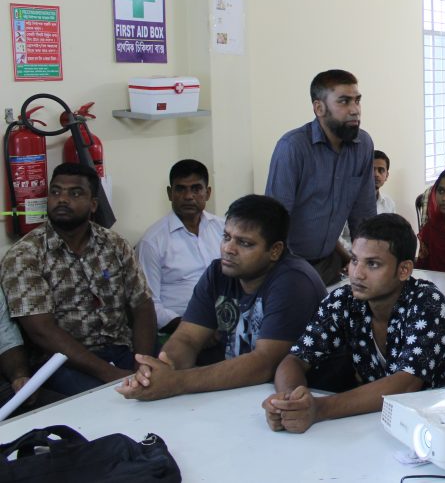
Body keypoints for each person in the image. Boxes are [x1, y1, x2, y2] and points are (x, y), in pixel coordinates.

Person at [262, 214, 445, 433]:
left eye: (373, 264)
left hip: (440, 428)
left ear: (404, 270)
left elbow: (406, 384)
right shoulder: (343, 301)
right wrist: (290, 402)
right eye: (354, 260)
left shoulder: (428, 304)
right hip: (375, 423)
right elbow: (295, 359)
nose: (357, 273)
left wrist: (319, 409)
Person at [116, 195, 326, 401]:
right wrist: (162, 368)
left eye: (244, 243)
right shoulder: (218, 273)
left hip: (300, 398)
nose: (228, 249)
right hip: (234, 394)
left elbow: (265, 364)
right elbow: (187, 338)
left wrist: (176, 382)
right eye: (226, 237)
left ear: (275, 250)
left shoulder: (294, 281)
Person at [1, 163, 156, 396]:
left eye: (75, 193)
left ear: (93, 204)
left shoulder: (115, 244)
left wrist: (142, 363)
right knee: (110, 401)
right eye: (56, 192)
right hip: (63, 364)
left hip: (123, 349)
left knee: (169, 380)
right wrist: (110, 374)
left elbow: (142, 305)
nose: (62, 199)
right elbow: (42, 331)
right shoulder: (25, 254)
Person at [265, 69, 375, 286]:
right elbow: (274, 221)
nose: (355, 110)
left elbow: (364, 216)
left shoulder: (363, 145)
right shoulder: (293, 148)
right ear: (319, 108)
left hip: (329, 265)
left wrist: (366, 264)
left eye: (357, 101)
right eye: (344, 101)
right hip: (289, 267)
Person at [137, 159, 224, 335]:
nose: (188, 196)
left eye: (196, 189)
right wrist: (191, 329)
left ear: (207, 193)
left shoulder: (224, 229)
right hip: (179, 329)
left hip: (227, 323)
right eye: (180, 189)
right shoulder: (152, 241)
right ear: (170, 193)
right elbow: (148, 303)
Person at [339, 149, 398, 251]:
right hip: (350, 255)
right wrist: (355, 256)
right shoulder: (346, 201)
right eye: (372, 169)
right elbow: (336, 238)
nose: (376, 174)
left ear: (386, 176)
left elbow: (393, 235)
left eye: (381, 170)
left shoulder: (389, 203)